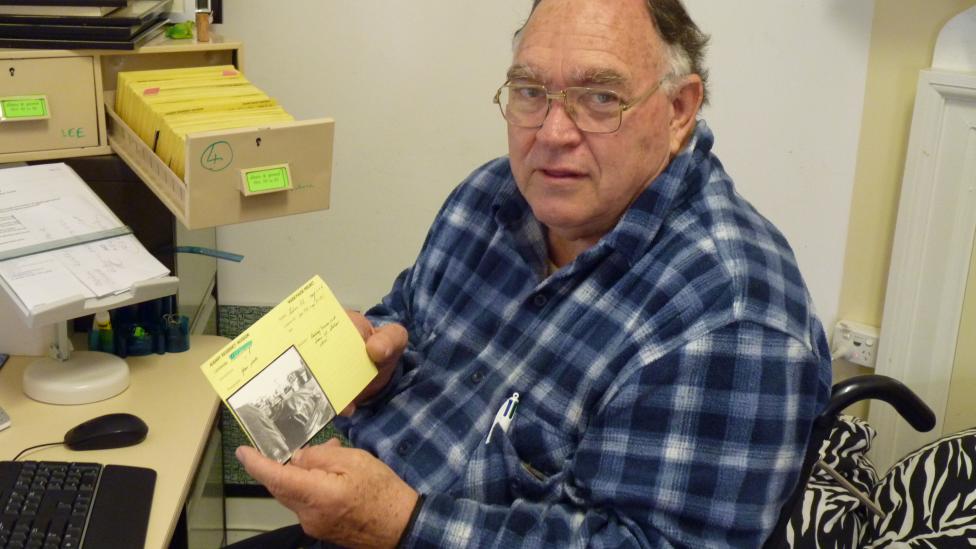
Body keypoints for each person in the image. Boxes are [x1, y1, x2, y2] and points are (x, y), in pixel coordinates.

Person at [232, 0, 833, 546]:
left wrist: (402, 524)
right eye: (530, 92)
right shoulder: (491, 197)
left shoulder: (732, 323)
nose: (551, 133)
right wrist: (377, 365)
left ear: (679, 110)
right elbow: (406, 319)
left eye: (600, 98)